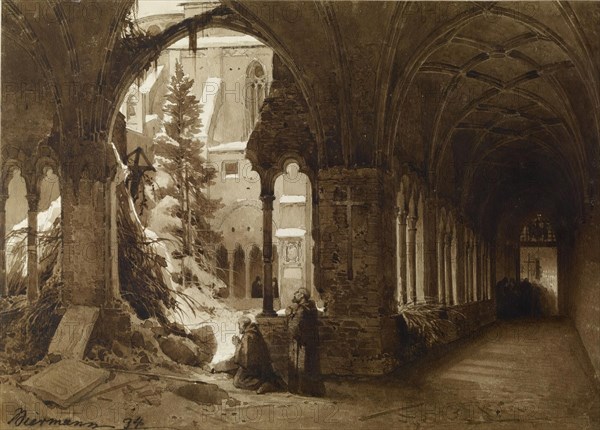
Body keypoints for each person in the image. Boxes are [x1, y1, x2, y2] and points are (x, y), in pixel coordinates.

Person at [285, 288, 325, 396]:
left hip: (301, 342)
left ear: (302, 296)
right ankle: (311, 390)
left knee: (302, 365)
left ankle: (301, 389)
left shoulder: (302, 310)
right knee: (311, 365)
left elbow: (294, 327)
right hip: (310, 342)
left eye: (297, 293)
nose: (295, 294)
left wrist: (289, 314)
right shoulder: (311, 308)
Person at [231, 316, 280, 394]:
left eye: (239, 325)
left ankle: (265, 384)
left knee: (237, 382)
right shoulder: (253, 332)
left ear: (243, 325)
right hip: (255, 365)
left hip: (254, 367)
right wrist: (240, 344)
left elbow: (245, 356)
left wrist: (237, 345)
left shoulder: (249, 336)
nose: (238, 327)